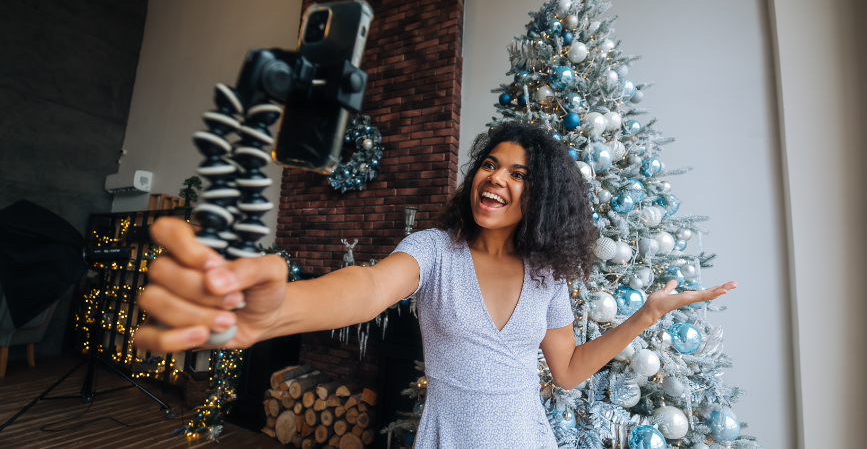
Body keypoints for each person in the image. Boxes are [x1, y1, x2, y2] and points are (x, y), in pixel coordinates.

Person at [134, 121, 736, 448]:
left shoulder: (549, 276)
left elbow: (570, 371)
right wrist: (281, 309)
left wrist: (645, 316)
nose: (494, 176)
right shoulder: (434, 251)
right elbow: (367, 289)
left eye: (517, 173)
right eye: (489, 164)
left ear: (542, 196)